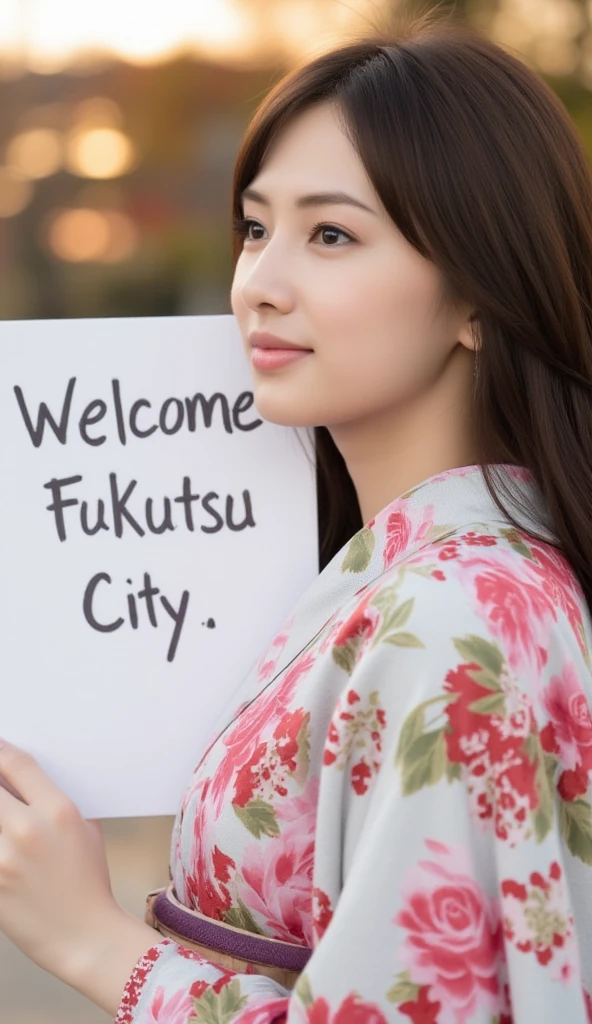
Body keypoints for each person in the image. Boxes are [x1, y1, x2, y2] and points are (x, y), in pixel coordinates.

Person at [1, 15, 592, 1024]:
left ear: (479, 298)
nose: (258, 285)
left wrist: (97, 942)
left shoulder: (455, 624)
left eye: (329, 234)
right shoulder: (425, 579)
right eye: (253, 226)